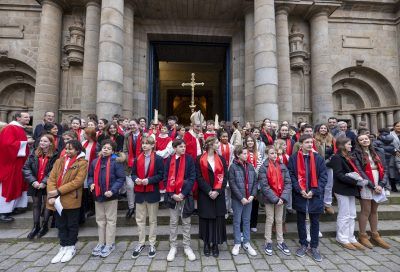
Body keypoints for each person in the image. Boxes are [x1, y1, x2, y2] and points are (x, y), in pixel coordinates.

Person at [46, 140, 88, 263]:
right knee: (61, 224)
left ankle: (71, 247)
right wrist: (52, 194)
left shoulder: (82, 163)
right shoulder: (59, 161)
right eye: (67, 148)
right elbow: (51, 178)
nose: (68, 151)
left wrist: (58, 191)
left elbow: (77, 182)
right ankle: (63, 246)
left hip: (70, 197)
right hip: (56, 198)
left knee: (72, 224)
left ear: (77, 150)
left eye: (71, 149)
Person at [288, 134, 327, 262]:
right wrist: (300, 189)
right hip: (300, 194)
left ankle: (314, 246)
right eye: (307, 142)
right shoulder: (294, 158)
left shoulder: (318, 158)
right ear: (301, 144)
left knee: (315, 221)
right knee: (301, 221)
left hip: (315, 195)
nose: (310, 145)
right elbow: (291, 175)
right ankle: (303, 244)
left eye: (311, 142)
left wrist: (314, 191)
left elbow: (323, 177)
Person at [88, 140, 125, 258]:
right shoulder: (95, 161)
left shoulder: (116, 162)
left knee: (110, 220)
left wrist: (113, 190)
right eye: (104, 147)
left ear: (113, 151)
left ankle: (109, 243)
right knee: (100, 220)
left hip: (110, 196)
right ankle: (101, 242)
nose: (106, 150)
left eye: (109, 148)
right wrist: (91, 184)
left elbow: (120, 178)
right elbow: (90, 176)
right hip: (98, 195)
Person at [353, 133, 391, 249]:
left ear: (369, 139)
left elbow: (385, 169)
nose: (364, 141)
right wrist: (372, 186)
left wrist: (381, 184)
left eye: (366, 138)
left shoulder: (378, 151)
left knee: (374, 210)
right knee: (366, 210)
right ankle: (362, 235)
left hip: (378, 182)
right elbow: (360, 171)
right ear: (358, 142)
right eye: (361, 139)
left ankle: (375, 235)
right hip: (366, 183)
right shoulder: (356, 153)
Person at [331, 137, 367, 250]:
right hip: (342, 189)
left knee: (352, 214)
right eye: (349, 144)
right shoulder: (337, 157)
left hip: (351, 188)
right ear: (342, 145)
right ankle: (342, 237)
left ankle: (350, 237)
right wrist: (356, 181)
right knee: (344, 214)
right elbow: (339, 175)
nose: (351, 146)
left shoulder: (348, 157)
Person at [131, 136, 164, 259]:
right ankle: (141, 243)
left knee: (152, 220)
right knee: (140, 220)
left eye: (147, 143)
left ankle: (152, 243)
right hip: (139, 193)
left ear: (152, 145)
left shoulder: (159, 159)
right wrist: (136, 179)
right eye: (143, 143)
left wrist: (149, 180)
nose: (144, 145)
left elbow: (161, 175)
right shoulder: (137, 159)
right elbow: (132, 173)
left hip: (152, 192)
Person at [164, 139, 196, 262]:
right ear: (175, 148)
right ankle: (173, 246)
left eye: (184, 146)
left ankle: (187, 246)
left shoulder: (189, 159)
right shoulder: (169, 161)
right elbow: (166, 177)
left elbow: (192, 177)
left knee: (186, 222)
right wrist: (172, 194)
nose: (183, 148)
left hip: (185, 196)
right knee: (173, 222)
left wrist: (183, 193)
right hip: (173, 196)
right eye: (181, 146)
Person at [196, 137, 228, 257]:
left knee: (217, 220)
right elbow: (198, 177)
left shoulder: (221, 159)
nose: (218, 144)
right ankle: (206, 243)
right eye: (216, 143)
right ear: (209, 144)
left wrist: (217, 191)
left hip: (218, 194)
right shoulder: (199, 159)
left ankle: (215, 243)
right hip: (205, 194)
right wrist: (209, 191)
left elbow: (225, 177)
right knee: (205, 219)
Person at [23, 134, 59, 239]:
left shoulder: (56, 155)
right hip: (35, 183)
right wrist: (33, 181)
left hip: (48, 183)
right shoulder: (33, 153)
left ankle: (44, 225)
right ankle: (36, 226)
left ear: (51, 143)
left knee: (47, 204)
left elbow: (54, 170)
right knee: (36, 204)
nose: (42, 143)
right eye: (41, 141)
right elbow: (26, 168)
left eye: (45, 141)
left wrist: (44, 182)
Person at [259, 145, 292, 256]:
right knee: (270, 219)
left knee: (279, 220)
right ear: (267, 154)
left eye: (276, 153)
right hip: (270, 199)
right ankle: (268, 241)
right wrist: (275, 199)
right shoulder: (264, 167)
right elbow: (264, 186)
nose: (274, 155)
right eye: (272, 153)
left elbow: (288, 182)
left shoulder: (282, 166)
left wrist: (282, 198)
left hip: (281, 198)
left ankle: (280, 241)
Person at [0, 112, 33, 222]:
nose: (28, 118)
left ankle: (12, 208)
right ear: (18, 118)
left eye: (29, 117)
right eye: (26, 117)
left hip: (18, 163)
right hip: (11, 164)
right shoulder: (10, 128)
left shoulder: (19, 128)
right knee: (9, 186)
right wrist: (25, 142)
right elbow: (7, 145)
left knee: (16, 184)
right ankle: (3, 212)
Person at [229, 146, 258, 257]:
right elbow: (232, 184)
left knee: (246, 221)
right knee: (237, 221)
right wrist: (241, 197)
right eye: (244, 153)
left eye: (247, 153)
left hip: (249, 199)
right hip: (238, 199)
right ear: (238, 155)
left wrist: (252, 195)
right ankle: (237, 243)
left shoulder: (250, 166)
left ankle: (246, 242)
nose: (247, 155)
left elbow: (255, 182)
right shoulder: (233, 167)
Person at [314, 124, 336, 215]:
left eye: (324, 128)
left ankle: (327, 204)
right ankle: (320, 204)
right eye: (321, 128)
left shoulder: (332, 139)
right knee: (319, 185)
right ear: (318, 130)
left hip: (329, 165)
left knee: (329, 184)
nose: (323, 129)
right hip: (317, 165)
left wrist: (329, 160)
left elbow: (335, 152)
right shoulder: (314, 139)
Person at [123, 119, 142, 218]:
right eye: (130, 125)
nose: (132, 127)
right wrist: (128, 159)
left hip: (142, 164)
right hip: (129, 165)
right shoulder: (127, 136)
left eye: (134, 125)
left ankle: (138, 207)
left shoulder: (145, 136)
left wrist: (139, 160)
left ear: (138, 125)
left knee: (139, 186)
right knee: (130, 186)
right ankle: (131, 207)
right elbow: (125, 150)